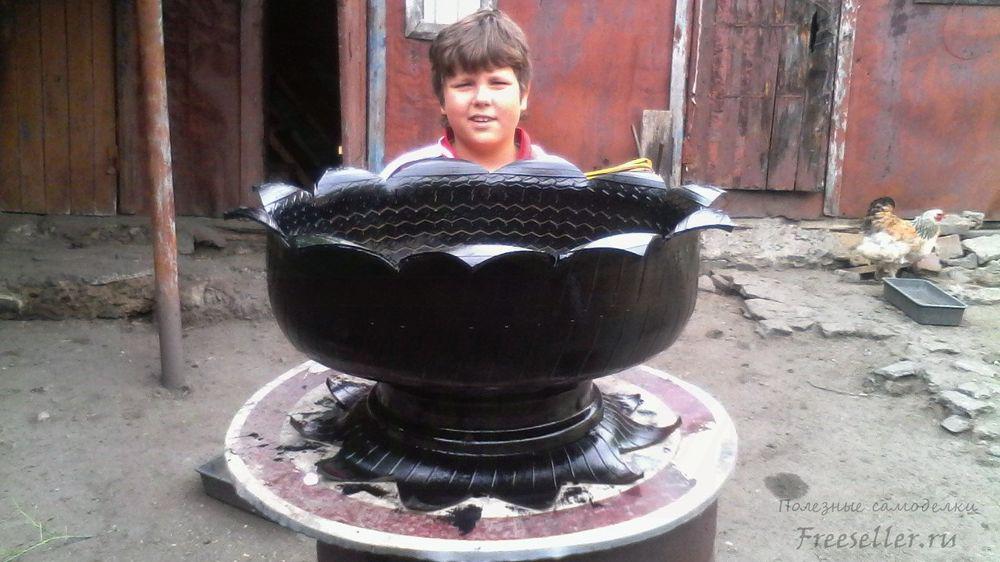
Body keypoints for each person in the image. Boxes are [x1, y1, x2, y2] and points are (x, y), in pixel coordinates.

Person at [379, 9, 570, 179]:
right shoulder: (405, 177)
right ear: (442, 99)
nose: (481, 99)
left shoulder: (560, 181)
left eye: (498, 83)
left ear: (524, 95)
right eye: (464, 85)